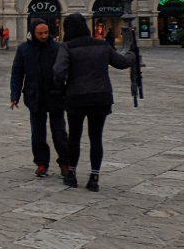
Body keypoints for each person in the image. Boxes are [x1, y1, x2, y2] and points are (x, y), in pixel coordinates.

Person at [54, 13, 135, 191]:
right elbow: (121, 63)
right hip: (101, 97)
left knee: (74, 137)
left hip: (76, 97)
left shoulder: (67, 47)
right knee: (96, 138)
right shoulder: (101, 45)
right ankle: (94, 177)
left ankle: (72, 174)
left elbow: (59, 72)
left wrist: (62, 88)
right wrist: (131, 54)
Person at [10, 18, 71, 179]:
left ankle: (65, 163)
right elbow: (17, 72)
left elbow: (67, 71)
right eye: (40, 33)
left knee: (59, 133)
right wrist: (14, 95)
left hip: (55, 95)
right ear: (33, 33)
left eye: (46, 32)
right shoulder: (24, 49)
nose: (44, 35)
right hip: (34, 96)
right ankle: (41, 163)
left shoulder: (58, 48)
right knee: (38, 134)